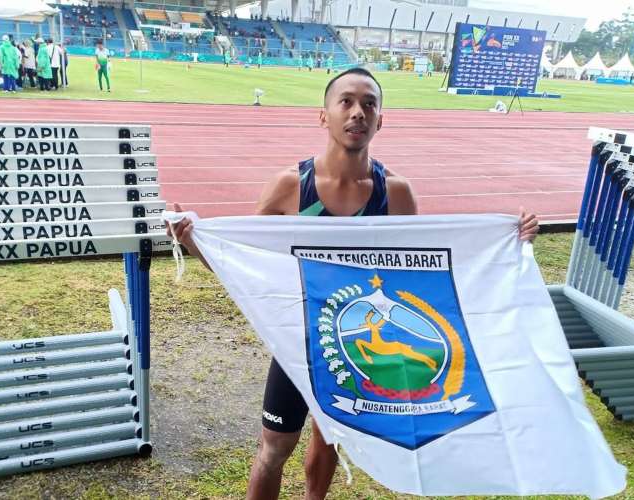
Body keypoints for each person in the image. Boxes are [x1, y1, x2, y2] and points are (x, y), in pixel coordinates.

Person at [167, 68, 539, 500]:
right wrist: (194, 241)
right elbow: (243, 265)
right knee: (274, 447)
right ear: (323, 116)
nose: (358, 112)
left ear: (381, 119)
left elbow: (423, 272)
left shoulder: (396, 194)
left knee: (331, 437)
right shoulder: (291, 187)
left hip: (355, 337)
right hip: (299, 339)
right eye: (346, 101)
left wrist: (508, 240)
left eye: (369, 104)